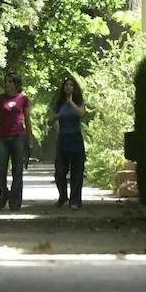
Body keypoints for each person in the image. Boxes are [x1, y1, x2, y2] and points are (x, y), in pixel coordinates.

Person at [0, 71, 34, 211]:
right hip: (2, 138)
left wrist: (30, 138)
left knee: (17, 171)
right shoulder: (0, 99)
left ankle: (15, 201)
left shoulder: (23, 99)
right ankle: (4, 194)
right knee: (0, 169)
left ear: (16, 84)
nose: (7, 84)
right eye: (6, 81)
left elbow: (27, 119)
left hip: (18, 138)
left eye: (10, 82)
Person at [50, 76, 86, 209]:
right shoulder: (58, 103)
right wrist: (55, 117)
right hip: (63, 138)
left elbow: (81, 114)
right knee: (60, 171)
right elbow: (49, 120)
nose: (68, 87)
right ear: (63, 88)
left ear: (74, 88)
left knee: (77, 171)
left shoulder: (79, 101)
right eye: (66, 85)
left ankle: (75, 201)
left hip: (76, 138)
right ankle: (63, 195)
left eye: (71, 85)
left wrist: (71, 103)